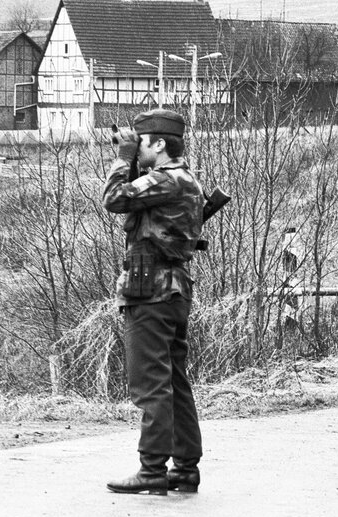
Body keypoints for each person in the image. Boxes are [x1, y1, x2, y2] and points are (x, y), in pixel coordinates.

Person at [103, 109, 204, 495]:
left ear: (159, 144)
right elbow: (136, 203)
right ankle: (184, 468)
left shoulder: (166, 179)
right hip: (174, 290)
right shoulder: (181, 180)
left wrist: (122, 157)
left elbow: (114, 199)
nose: (137, 149)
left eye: (143, 143)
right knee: (175, 383)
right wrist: (132, 157)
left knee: (150, 385)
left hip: (151, 291)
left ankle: (151, 469)